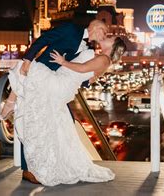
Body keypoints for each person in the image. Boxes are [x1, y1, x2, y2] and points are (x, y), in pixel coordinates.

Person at [0, 19, 108, 183]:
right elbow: (44, 39)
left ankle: (46, 164)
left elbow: (71, 70)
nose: (105, 36)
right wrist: (28, 59)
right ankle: (27, 170)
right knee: (29, 120)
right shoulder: (71, 29)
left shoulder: (85, 46)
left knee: (55, 123)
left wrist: (86, 81)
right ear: (95, 28)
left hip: (51, 84)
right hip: (39, 75)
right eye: (104, 31)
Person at [7, 36, 126, 186]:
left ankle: (10, 104)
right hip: (63, 85)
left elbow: (83, 68)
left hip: (60, 84)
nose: (106, 37)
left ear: (114, 45)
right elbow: (88, 78)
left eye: (110, 38)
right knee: (52, 127)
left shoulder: (103, 58)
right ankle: (42, 164)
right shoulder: (102, 59)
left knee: (27, 68)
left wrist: (63, 62)